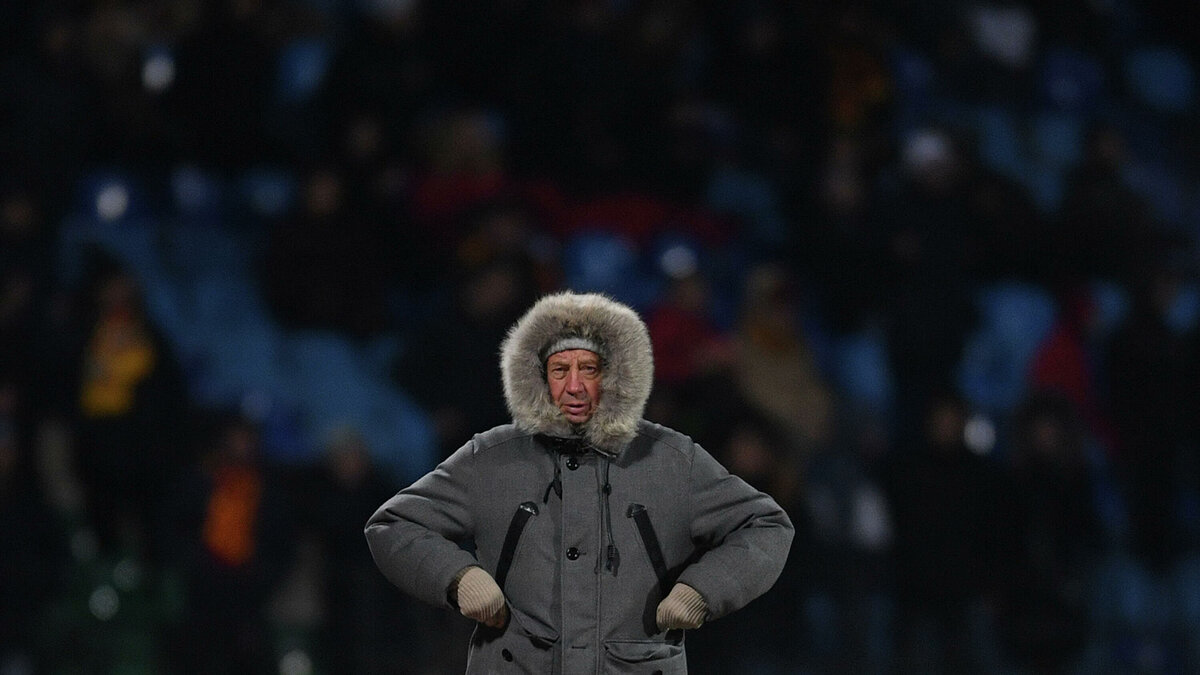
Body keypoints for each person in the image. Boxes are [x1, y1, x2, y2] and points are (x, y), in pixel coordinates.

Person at [366, 291, 795, 673]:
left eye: (588, 368)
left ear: (615, 374)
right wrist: (458, 576)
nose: (574, 387)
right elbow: (394, 525)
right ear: (536, 377)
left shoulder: (670, 459)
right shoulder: (492, 459)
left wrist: (700, 591)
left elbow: (767, 527)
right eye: (559, 370)